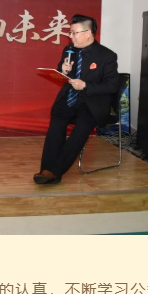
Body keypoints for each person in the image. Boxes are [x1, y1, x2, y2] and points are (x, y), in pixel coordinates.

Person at [34, 14, 119, 185]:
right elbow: (62, 76)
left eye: (74, 33)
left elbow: (112, 86)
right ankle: (47, 168)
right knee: (56, 126)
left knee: (79, 132)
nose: (70, 36)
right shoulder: (69, 50)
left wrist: (86, 85)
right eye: (70, 32)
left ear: (88, 33)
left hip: (92, 103)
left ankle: (54, 171)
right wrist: (63, 70)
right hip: (69, 99)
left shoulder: (107, 56)